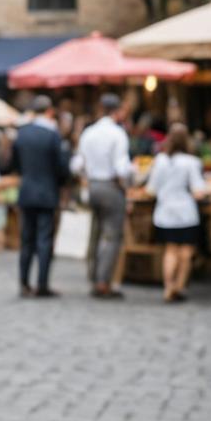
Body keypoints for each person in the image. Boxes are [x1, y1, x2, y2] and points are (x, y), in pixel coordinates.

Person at [73, 93, 134, 299]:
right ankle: (103, 282)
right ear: (117, 111)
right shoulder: (117, 134)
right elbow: (121, 168)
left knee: (96, 233)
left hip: (92, 186)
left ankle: (93, 276)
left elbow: (77, 165)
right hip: (110, 186)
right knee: (112, 236)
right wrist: (129, 183)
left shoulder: (89, 132)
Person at [145, 123, 211, 303]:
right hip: (185, 212)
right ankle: (180, 286)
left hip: (164, 212)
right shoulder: (191, 162)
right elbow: (199, 191)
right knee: (186, 252)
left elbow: (151, 189)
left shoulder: (160, 160)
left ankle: (168, 287)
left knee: (170, 250)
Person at [12, 95, 69, 298]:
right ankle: (42, 284)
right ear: (49, 111)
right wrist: (61, 185)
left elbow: (14, 163)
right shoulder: (52, 134)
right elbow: (62, 167)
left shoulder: (22, 133)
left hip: (26, 190)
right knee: (44, 240)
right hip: (47, 192)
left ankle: (24, 283)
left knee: (26, 239)